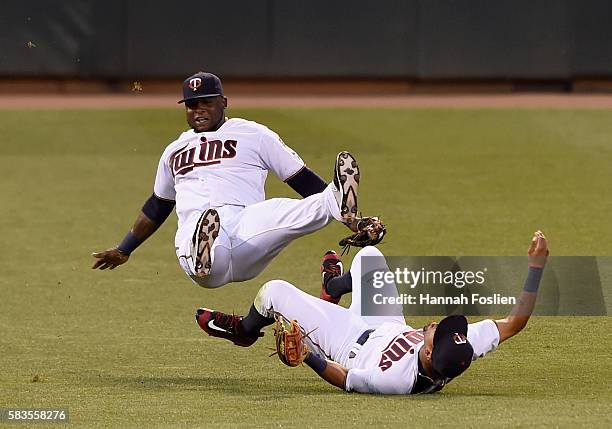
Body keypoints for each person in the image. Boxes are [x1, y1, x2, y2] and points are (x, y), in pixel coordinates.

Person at [91, 71, 371, 288]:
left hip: (246, 228)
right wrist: (124, 249)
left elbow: (302, 181)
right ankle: (202, 255)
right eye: (191, 105)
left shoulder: (254, 134)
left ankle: (339, 201)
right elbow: (158, 205)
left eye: (206, 103)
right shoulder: (174, 150)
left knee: (283, 210)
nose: (198, 110)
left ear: (223, 103)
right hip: (201, 232)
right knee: (203, 231)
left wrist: (355, 223)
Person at [196, 231, 549, 394]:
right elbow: (514, 323)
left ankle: (244, 330)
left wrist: (306, 356)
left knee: (273, 291)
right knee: (369, 257)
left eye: (435, 333)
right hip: (385, 323)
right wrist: (536, 267)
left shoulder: (396, 381)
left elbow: (346, 379)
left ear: (428, 353)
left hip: (345, 341)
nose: (437, 326)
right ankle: (332, 289)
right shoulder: (458, 349)